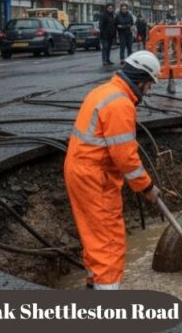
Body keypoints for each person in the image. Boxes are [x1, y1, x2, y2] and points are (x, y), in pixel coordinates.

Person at [63, 51, 162, 290]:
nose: (148, 90)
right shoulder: (120, 104)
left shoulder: (104, 91)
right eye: (149, 84)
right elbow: (125, 158)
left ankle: (92, 284)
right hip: (95, 177)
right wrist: (146, 187)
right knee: (109, 240)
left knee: (93, 235)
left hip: (80, 169)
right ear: (141, 80)